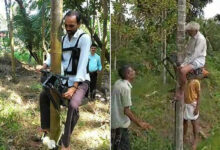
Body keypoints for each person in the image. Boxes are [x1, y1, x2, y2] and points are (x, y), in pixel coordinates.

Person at [39, 10, 91, 150]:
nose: (68, 29)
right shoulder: (62, 39)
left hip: (81, 81)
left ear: (79, 24)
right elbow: (53, 55)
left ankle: (65, 143)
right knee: (44, 95)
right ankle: (46, 131)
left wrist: (74, 87)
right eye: (66, 25)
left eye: (72, 26)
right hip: (65, 80)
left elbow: (82, 62)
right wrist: (44, 65)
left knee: (73, 105)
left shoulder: (84, 38)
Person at [111, 65, 152, 150]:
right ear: (127, 74)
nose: (134, 72)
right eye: (132, 71)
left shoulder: (118, 82)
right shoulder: (125, 88)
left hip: (115, 123)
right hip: (120, 126)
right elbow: (126, 111)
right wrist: (140, 123)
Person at [176, 21, 207, 99]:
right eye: (188, 31)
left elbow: (195, 55)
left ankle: (182, 90)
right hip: (191, 58)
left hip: (198, 60)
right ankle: (182, 83)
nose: (188, 33)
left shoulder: (201, 39)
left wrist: (184, 64)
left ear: (195, 30)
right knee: (178, 67)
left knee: (183, 70)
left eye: (190, 31)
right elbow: (188, 50)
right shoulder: (192, 37)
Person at [183, 77, 200, 150]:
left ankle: (195, 140)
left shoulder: (196, 82)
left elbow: (199, 95)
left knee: (193, 122)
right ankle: (184, 136)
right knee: (185, 121)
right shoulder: (184, 81)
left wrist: (197, 107)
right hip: (185, 104)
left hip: (192, 104)